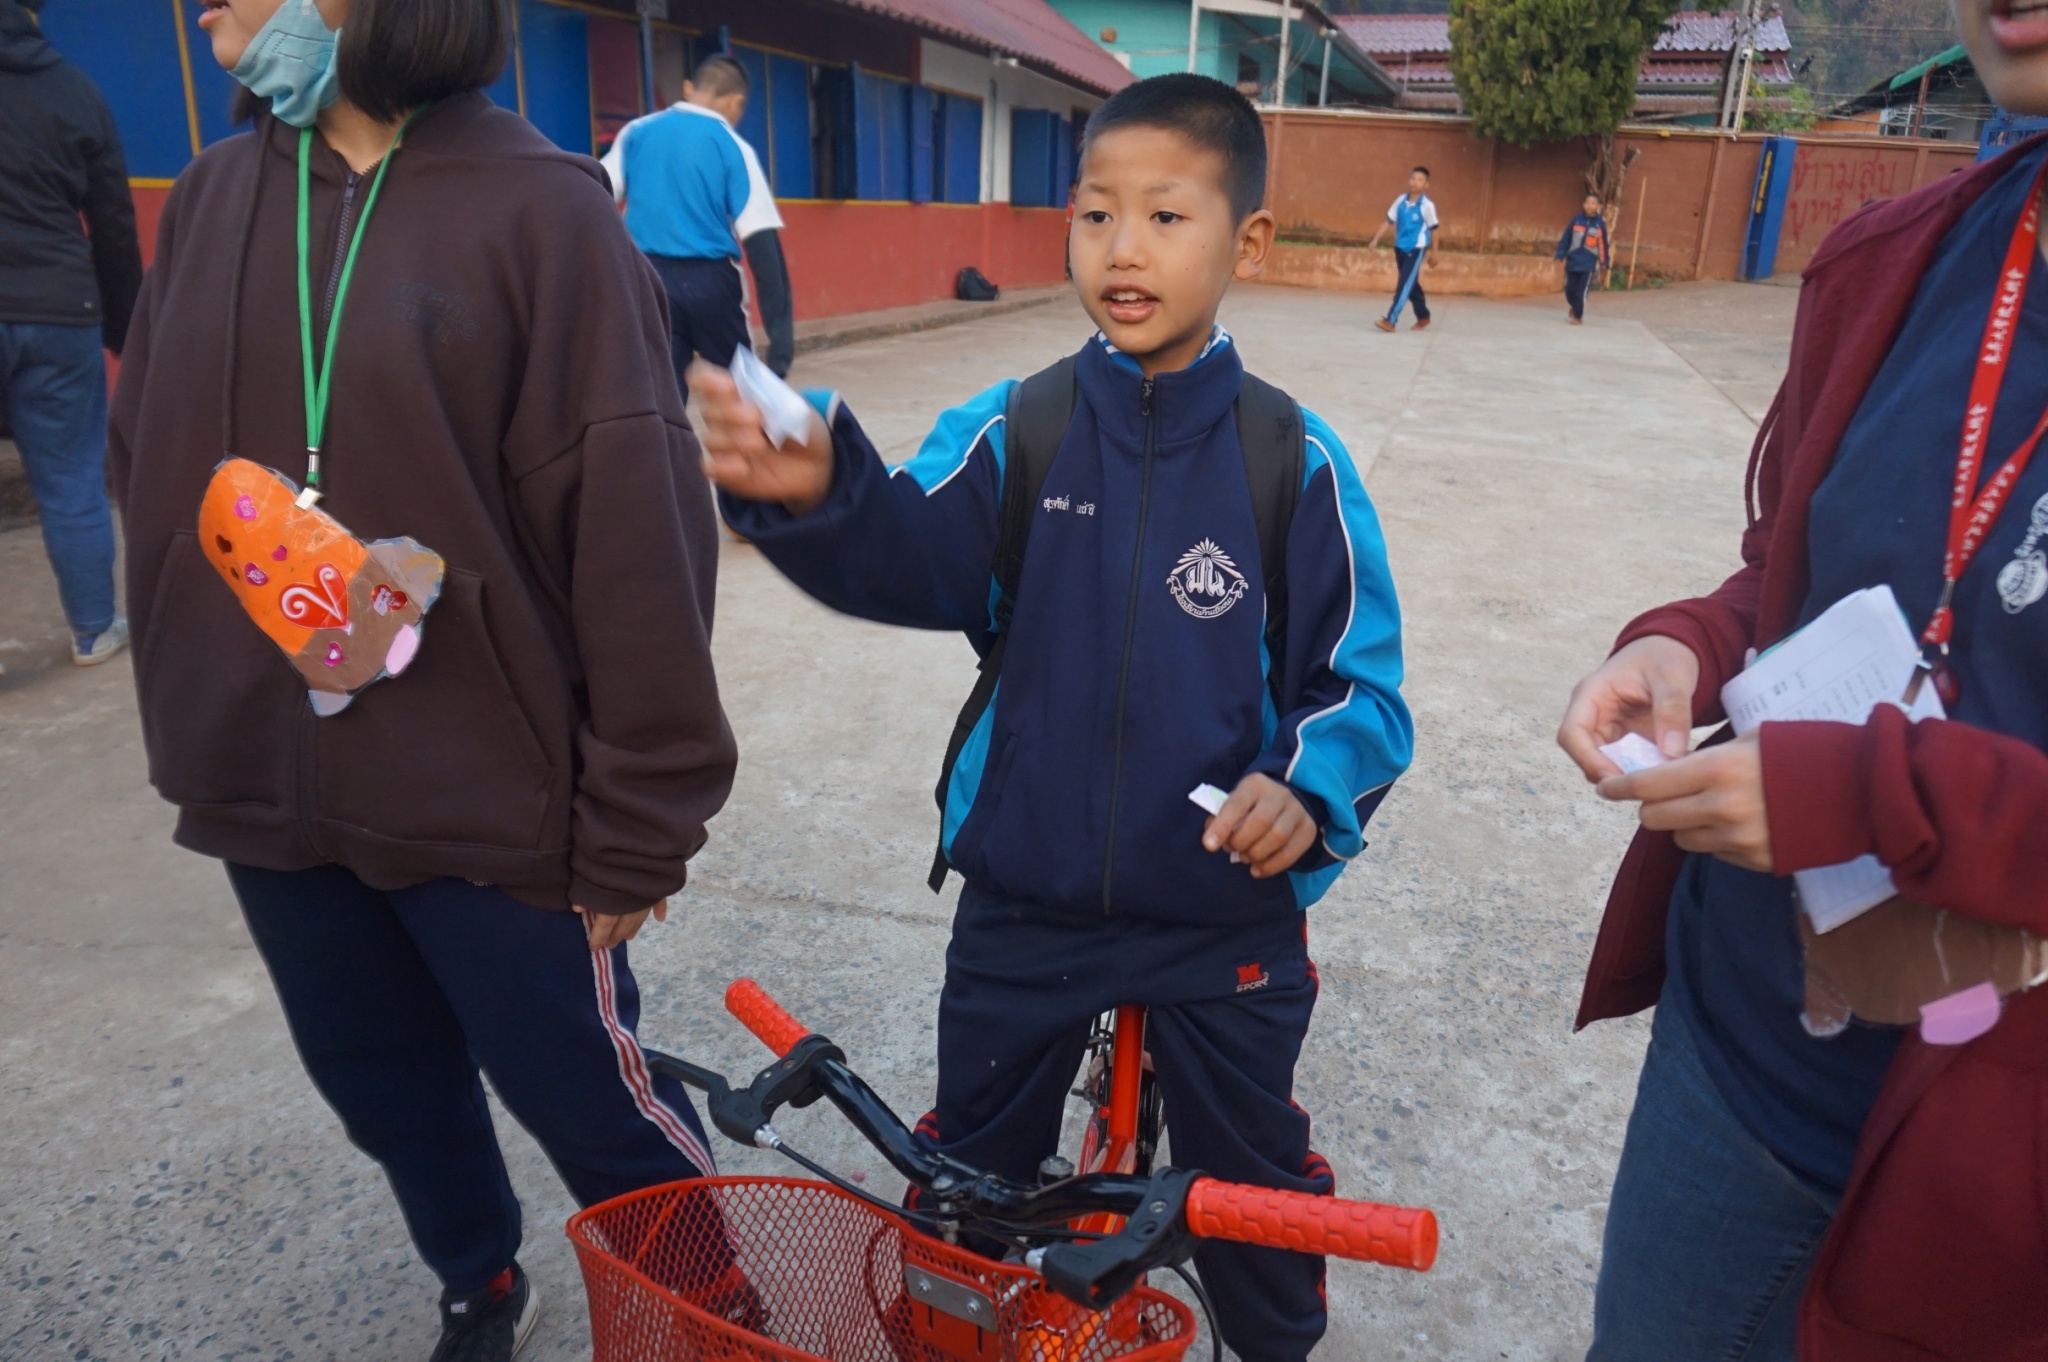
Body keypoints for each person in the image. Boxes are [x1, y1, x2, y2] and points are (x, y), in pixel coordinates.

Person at [698, 73, 1413, 1362]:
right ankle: (953, 1331)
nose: (1122, 248)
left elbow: (1360, 688)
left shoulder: (1289, 461)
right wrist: (815, 493)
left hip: (1218, 919)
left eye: (1164, 217)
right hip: (1024, 904)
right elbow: (902, 549)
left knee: (1248, 1188)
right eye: (1095, 215)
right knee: (964, 1184)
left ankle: (1275, 1344)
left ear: (1247, 241)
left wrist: (1304, 789)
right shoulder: (1016, 428)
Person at [110, 2, 736, 1359]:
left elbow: (636, 534)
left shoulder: (544, 212)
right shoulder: (213, 196)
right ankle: (478, 1273)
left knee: (589, 1101)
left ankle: (714, 1315)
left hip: (493, 792)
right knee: (380, 1084)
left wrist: (641, 817)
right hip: (264, 778)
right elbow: (139, 454)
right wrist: (193, 668)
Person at [1557, 0, 2048, 1355]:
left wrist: (1874, 793)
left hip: (1989, 1158)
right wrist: (1689, 645)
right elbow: (1791, 566)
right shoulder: (1903, 257)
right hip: (1739, 1060)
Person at [0, 0, 142, 669]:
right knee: (71, 481)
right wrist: (126, 329)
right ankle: (94, 629)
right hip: (59, 308)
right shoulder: (72, 88)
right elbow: (112, 220)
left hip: (51, 302)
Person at [602, 55, 793, 381]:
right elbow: (763, 245)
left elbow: (596, 192)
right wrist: (781, 348)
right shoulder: (733, 146)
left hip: (647, 279)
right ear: (736, 102)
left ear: (689, 89)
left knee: (662, 391)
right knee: (739, 389)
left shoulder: (636, 132)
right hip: (712, 284)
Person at [1367, 165, 1437, 333]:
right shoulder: (1400, 201)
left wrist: (1434, 253)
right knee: (1411, 284)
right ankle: (1423, 316)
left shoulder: (1426, 205)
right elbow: (1389, 221)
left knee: (1404, 284)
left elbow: (1434, 229)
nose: (1415, 182)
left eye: (1420, 180)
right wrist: (1376, 239)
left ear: (1426, 185)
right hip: (1400, 247)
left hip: (1416, 248)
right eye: (1413, 178)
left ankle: (1391, 320)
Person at [1554, 194, 1609, 325]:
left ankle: (1578, 316)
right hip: (1572, 261)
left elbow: (1603, 245)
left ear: (1598, 206)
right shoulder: (1576, 220)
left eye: (1593, 203)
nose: (1590, 206)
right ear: (1584, 205)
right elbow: (1566, 237)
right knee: (1569, 290)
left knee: (1581, 292)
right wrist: (1561, 252)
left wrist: (1604, 261)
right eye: (1587, 203)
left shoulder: (1599, 224)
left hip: (1588, 264)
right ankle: (1574, 306)